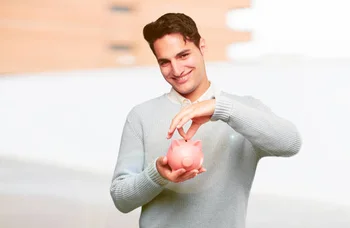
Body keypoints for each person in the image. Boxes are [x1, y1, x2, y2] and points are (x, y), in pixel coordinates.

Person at [109, 12, 302, 228]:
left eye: (183, 55)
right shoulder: (141, 116)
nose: (176, 70)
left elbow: (291, 143)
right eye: (165, 62)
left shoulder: (241, 111)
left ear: (202, 47)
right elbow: (121, 199)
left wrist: (221, 108)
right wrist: (157, 174)